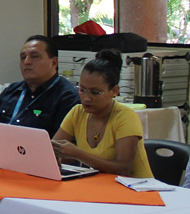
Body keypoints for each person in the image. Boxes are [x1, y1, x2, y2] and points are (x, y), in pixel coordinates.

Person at [52, 49, 152, 178]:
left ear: (114, 91)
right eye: (82, 90)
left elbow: (123, 169)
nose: (86, 98)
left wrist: (77, 154)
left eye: (95, 92)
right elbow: (52, 150)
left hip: (137, 190)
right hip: (99, 186)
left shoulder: (126, 117)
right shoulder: (77, 112)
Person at [0, 35, 79, 144]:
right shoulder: (12, 90)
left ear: (54, 62)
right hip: (0, 156)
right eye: (23, 57)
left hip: (39, 158)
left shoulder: (67, 97)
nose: (27, 62)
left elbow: (64, 147)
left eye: (35, 56)